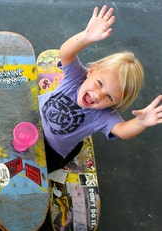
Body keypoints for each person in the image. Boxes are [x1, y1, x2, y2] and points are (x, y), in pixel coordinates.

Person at [38, 5, 162, 173]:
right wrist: (86, 36)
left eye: (110, 97)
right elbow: (66, 53)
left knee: (37, 171)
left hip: (52, 150)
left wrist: (141, 122)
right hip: (34, 114)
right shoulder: (77, 77)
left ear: (116, 104)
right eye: (100, 84)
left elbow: (122, 131)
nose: (98, 95)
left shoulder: (104, 116)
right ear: (92, 70)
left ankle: (73, 151)